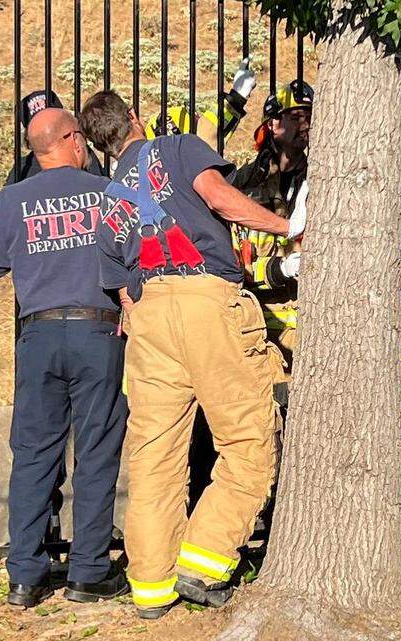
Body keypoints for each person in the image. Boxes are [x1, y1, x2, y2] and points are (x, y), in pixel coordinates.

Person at [82, 89, 300, 619]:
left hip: (148, 315)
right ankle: (204, 561)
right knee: (248, 440)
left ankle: (151, 588)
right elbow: (220, 197)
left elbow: (120, 286)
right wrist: (289, 227)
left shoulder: (111, 196)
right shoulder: (176, 148)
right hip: (205, 299)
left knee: (154, 455)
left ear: (97, 144)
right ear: (134, 116)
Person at [0, 108, 128, 607]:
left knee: (35, 453)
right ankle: (88, 571)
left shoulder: (15, 199)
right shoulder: (106, 192)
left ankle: (24, 575)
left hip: (38, 336)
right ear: (75, 140)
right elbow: (135, 253)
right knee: (97, 450)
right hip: (97, 332)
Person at [231, 79, 313, 362]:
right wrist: (280, 269)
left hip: (306, 320)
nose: (306, 125)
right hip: (257, 322)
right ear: (274, 124)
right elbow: (237, 260)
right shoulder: (245, 182)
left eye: (310, 116)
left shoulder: (317, 177)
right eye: (297, 116)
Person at [143, 57, 257, 145]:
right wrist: (236, 98)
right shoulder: (196, 167)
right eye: (197, 120)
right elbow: (206, 138)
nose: (199, 116)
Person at [5, 89, 105, 185]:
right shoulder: (23, 167)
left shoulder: (85, 155)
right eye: (40, 126)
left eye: (55, 124)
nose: (48, 130)